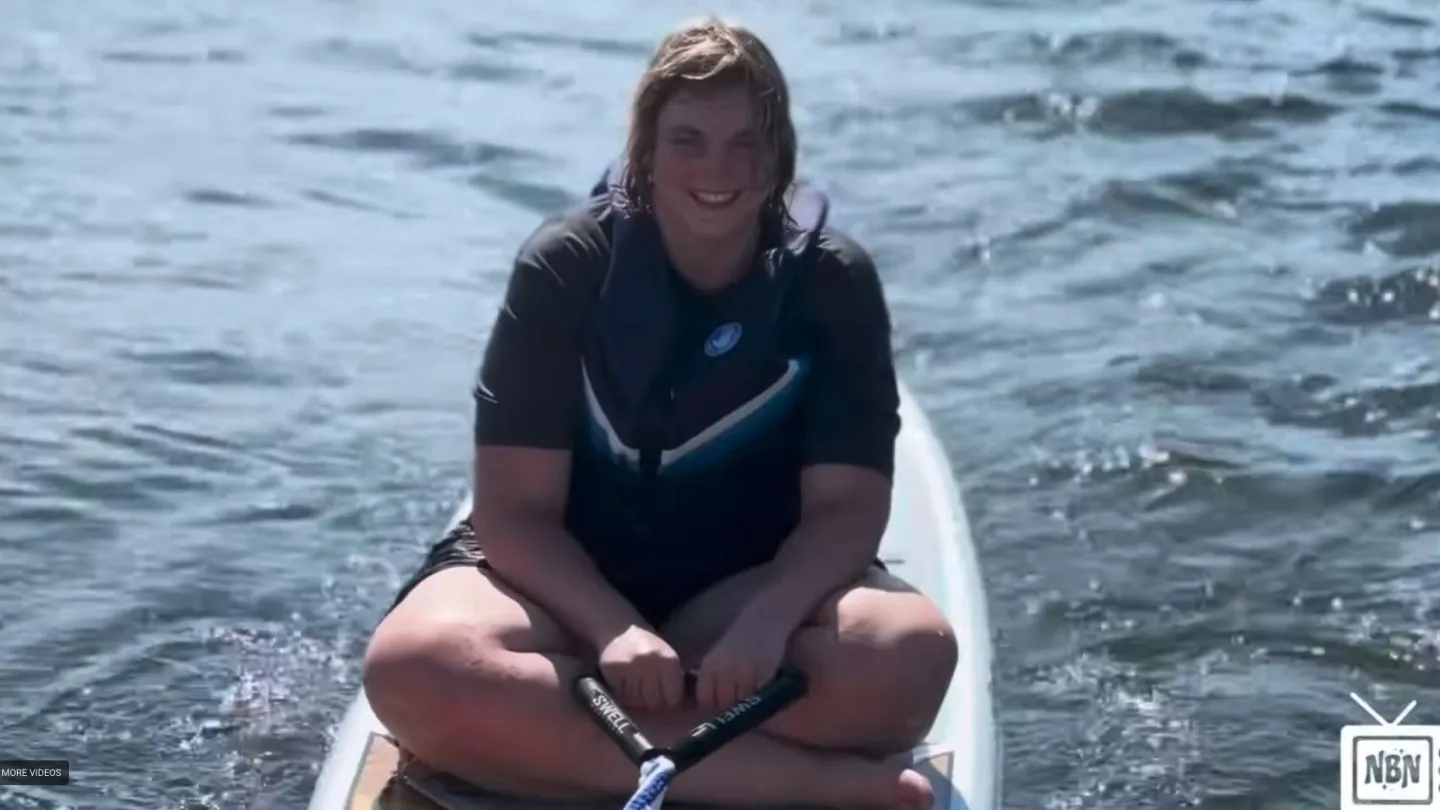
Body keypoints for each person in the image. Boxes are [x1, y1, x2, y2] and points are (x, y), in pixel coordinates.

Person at [362, 16, 958, 810]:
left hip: (739, 596)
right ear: (645, 148)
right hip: (561, 596)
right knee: (411, 669)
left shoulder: (833, 281)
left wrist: (771, 618)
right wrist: (611, 628)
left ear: (780, 152)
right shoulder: (565, 268)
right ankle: (807, 785)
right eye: (688, 140)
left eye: (748, 142)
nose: (720, 168)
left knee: (909, 659)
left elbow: (849, 509)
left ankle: (539, 746)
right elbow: (513, 512)